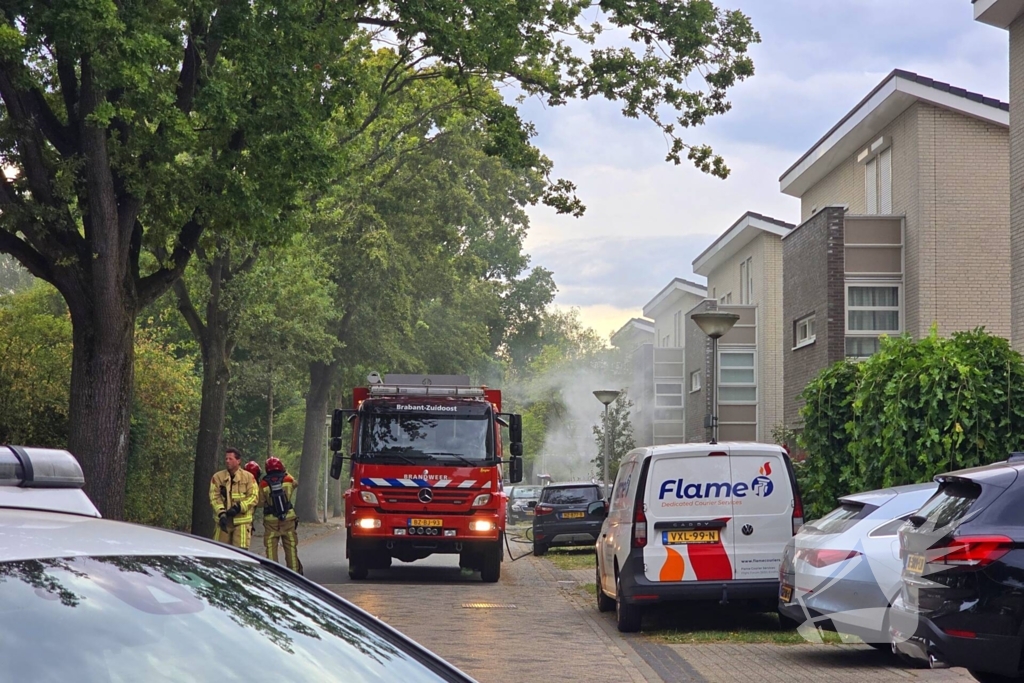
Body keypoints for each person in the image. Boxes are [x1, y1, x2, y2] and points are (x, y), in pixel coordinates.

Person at [259, 457, 303, 574]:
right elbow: (296, 484)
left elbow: (259, 502)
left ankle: (274, 574)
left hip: (271, 522)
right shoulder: (288, 479)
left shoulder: (263, 483)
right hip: (288, 519)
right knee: (291, 548)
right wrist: (286, 472)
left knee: (271, 548)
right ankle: (294, 574)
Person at [209, 447, 259, 549]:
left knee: (241, 553)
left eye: (230, 459)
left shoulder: (249, 477)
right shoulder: (217, 477)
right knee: (219, 551)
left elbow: (254, 496)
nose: (227, 461)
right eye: (226, 458)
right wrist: (221, 513)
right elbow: (214, 497)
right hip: (223, 521)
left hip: (242, 522)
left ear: (238, 461)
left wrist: (238, 508)